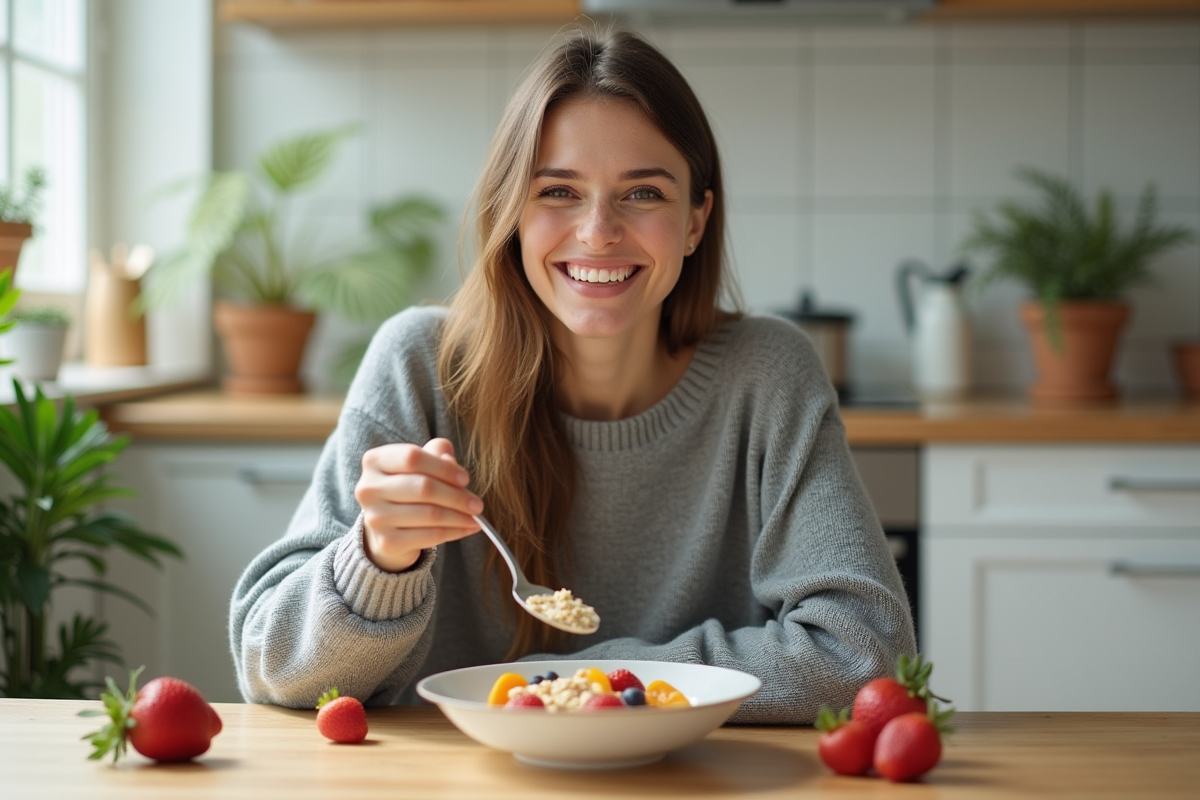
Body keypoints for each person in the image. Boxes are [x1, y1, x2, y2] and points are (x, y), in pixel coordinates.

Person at [230, 26, 916, 724]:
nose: (597, 233)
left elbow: (864, 655)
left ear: (695, 221)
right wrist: (377, 561)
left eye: (643, 194)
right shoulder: (419, 365)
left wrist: (568, 683)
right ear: (511, 212)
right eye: (558, 191)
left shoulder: (768, 374)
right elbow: (272, 670)